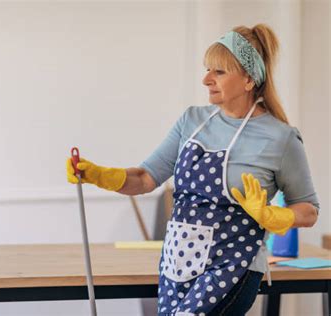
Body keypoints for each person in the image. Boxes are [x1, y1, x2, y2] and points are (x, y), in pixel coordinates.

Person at [66, 24, 319, 316]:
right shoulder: (192, 120)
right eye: (207, 69)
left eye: (219, 72)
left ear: (249, 79)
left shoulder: (280, 137)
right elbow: (146, 178)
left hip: (234, 265)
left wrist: (276, 216)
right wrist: (97, 175)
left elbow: (309, 209)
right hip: (179, 262)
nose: (206, 79)